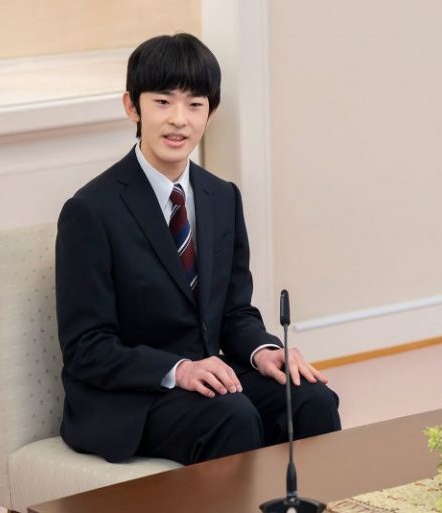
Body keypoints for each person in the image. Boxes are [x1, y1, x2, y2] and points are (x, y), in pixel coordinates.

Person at [55, 33, 341, 465]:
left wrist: (264, 351)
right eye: (163, 102)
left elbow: (234, 313)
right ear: (132, 106)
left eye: (195, 104)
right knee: (233, 417)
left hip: (208, 378)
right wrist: (180, 370)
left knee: (313, 400)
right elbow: (86, 348)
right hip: (132, 397)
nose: (179, 120)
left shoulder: (221, 197)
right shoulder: (90, 211)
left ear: (211, 113)